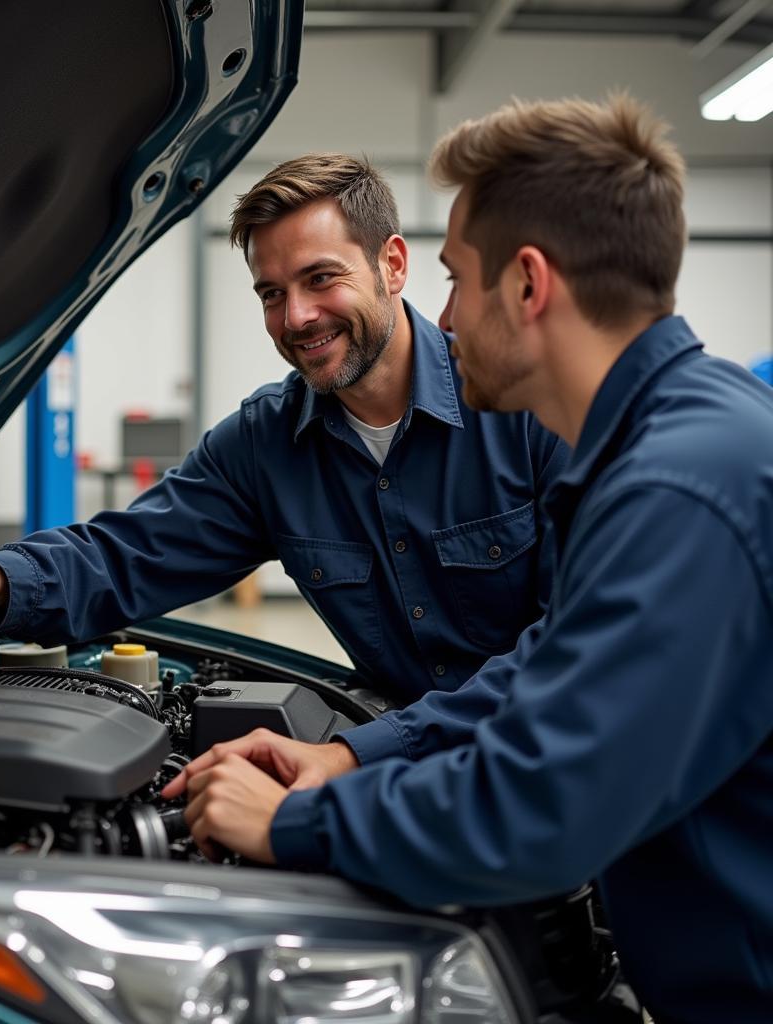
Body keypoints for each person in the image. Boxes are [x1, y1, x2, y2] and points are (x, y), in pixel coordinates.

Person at [165, 96, 773, 1022]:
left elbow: (542, 809)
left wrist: (293, 823)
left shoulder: (678, 491)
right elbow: (551, 666)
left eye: (454, 278)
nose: (441, 315)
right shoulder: (677, 446)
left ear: (527, 286)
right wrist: (356, 756)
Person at [0, 155, 566, 708]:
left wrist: (366, 755)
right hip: (406, 765)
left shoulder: (523, 409)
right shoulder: (266, 445)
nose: (296, 318)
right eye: (272, 293)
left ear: (393, 264)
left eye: (322, 278)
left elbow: (576, 652)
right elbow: (129, 554)